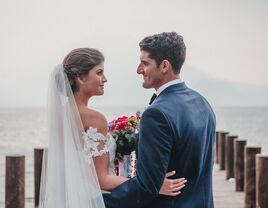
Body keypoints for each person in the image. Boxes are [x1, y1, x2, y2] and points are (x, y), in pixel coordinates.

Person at [39, 48, 187, 208]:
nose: (105, 79)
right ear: (81, 78)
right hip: (93, 200)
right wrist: (152, 185)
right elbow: (101, 180)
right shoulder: (95, 119)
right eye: (99, 72)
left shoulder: (61, 114)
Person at [103, 32, 216, 208]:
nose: (139, 69)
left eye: (145, 63)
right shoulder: (202, 103)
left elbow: (147, 188)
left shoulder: (157, 114)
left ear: (164, 66)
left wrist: (95, 202)